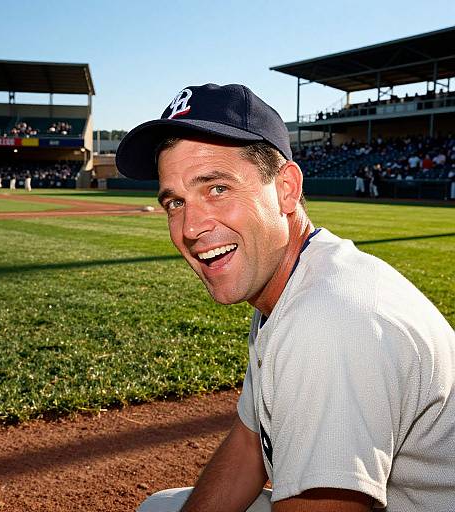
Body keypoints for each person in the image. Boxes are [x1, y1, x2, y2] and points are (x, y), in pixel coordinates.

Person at [116, 83, 455, 512]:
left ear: (286, 189)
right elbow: (248, 444)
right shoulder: (292, 277)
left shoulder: (328, 321)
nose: (190, 228)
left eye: (217, 188)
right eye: (176, 202)